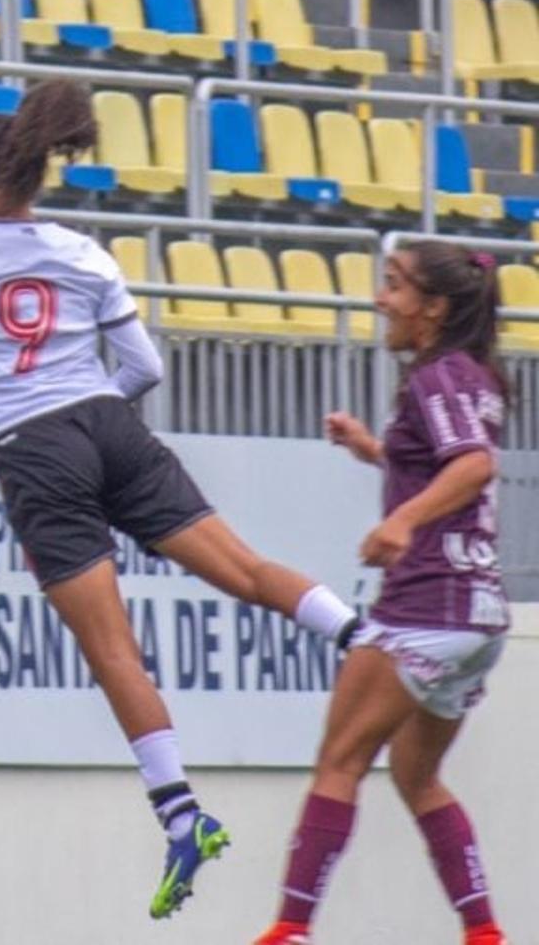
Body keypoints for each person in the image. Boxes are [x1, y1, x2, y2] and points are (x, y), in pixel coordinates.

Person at [0, 80, 362, 921]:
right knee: (245, 570)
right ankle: (362, 636)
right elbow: (147, 371)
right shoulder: (84, 251)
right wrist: (92, 405)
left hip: (36, 450)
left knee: (112, 650)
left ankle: (181, 813)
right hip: (111, 425)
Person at [256, 241, 511, 945]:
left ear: (433, 308)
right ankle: (483, 932)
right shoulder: (476, 376)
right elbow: (445, 460)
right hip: (480, 620)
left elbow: (472, 465)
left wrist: (400, 519)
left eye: (394, 286)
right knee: (416, 774)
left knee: (339, 761)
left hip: (427, 604)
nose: (380, 299)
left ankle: (290, 930)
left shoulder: (437, 377)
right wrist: (376, 450)